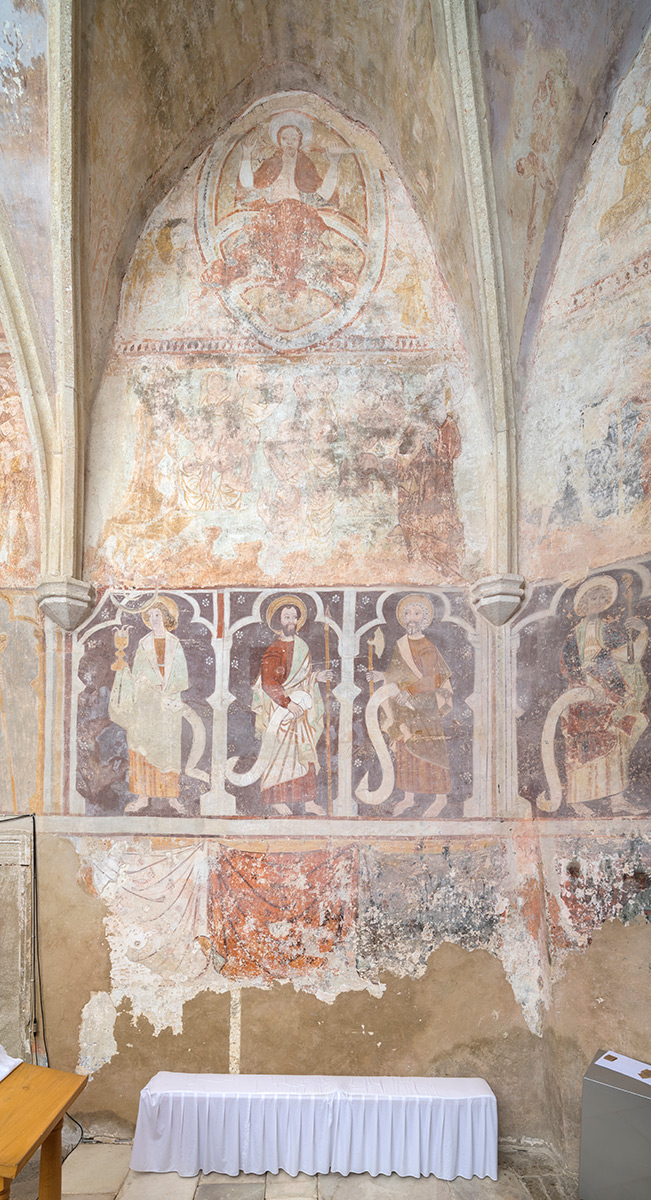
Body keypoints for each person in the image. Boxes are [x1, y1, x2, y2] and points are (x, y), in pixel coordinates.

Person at [560, 575, 648, 812]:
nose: (598, 602)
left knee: (615, 738)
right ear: (584, 603)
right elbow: (568, 666)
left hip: (609, 693)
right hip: (583, 695)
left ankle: (617, 800)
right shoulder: (573, 636)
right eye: (593, 598)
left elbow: (629, 657)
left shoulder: (609, 630)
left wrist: (642, 631)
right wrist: (586, 687)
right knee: (581, 745)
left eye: (602, 598)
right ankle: (577, 801)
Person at [366, 594, 452, 817]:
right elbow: (397, 674)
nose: (411, 618)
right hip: (403, 707)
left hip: (424, 706)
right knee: (406, 749)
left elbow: (431, 679)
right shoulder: (401, 644)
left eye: (417, 614)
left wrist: (410, 691)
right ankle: (409, 797)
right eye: (407, 614)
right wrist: (382, 676)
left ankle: (440, 799)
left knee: (430, 749)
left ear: (425, 619)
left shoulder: (427, 646)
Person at [251, 595, 333, 815]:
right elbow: (269, 683)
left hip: (300, 711)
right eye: (286, 617)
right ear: (278, 621)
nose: (291, 621)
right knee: (280, 756)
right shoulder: (274, 649)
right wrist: (287, 703)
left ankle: (309, 802)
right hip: (281, 711)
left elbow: (302, 678)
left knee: (305, 754)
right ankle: (276, 799)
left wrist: (316, 677)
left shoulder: (302, 646)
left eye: (294, 617)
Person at [109, 596, 190, 814]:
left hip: (169, 704)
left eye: (157, 615)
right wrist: (145, 680)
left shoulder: (175, 643)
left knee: (170, 750)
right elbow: (139, 674)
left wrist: (166, 688)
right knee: (141, 746)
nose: (154, 619)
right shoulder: (143, 644)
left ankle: (172, 798)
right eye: (150, 615)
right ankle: (142, 797)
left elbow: (182, 676)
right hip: (147, 705)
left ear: (166, 617)